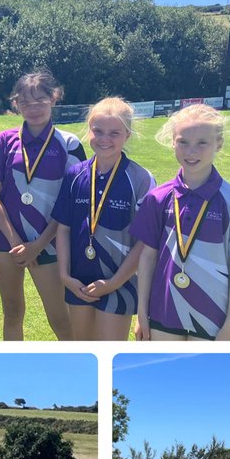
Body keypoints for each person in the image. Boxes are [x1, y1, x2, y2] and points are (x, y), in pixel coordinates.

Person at [132, 104, 230, 341]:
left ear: (218, 143)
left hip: (213, 319)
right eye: (183, 142)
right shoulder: (157, 198)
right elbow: (147, 258)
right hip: (164, 313)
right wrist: (141, 313)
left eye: (202, 142)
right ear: (172, 142)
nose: (191, 151)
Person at [0, 70, 86, 340]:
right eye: (25, 102)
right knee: (12, 312)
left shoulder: (69, 144)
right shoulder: (4, 141)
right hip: (7, 242)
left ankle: (76, 366)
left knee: (60, 318)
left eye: (40, 100)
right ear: (16, 104)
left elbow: (71, 204)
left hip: (49, 243)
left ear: (54, 98)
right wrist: (16, 241)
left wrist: (38, 245)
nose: (33, 108)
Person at [52, 98, 154, 341]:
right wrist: (65, 276)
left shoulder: (140, 179)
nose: (104, 139)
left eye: (114, 133)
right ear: (89, 131)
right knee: (84, 350)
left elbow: (145, 241)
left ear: (127, 135)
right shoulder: (75, 175)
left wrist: (114, 282)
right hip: (78, 281)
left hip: (119, 282)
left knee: (108, 351)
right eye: (98, 131)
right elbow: (63, 229)